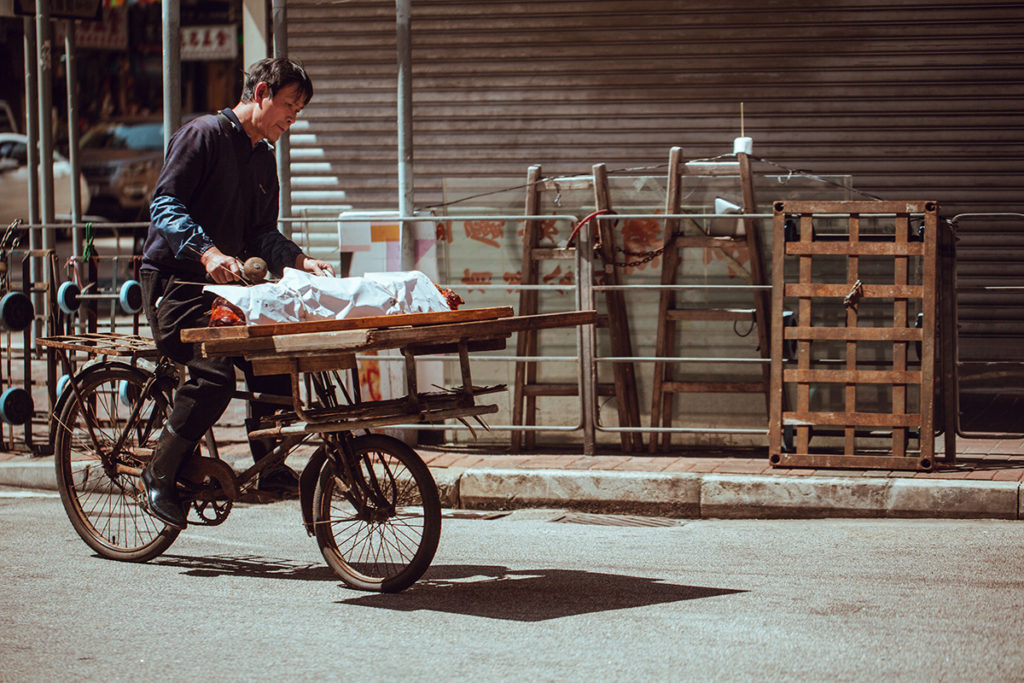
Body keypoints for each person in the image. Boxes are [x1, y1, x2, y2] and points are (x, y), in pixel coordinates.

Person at [138, 57, 335, 530]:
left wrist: (301, 260)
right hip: (177, 286)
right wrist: (206, 252)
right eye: (289, 105)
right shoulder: (203, 134)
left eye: (299, 110)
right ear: (261, 93)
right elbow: (165, 203)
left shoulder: (262, 158)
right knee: (214, 378)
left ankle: (268, 465)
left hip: (229, 290)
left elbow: (262, 232)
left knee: (276, 352)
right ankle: (159, 473)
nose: (292, 117)